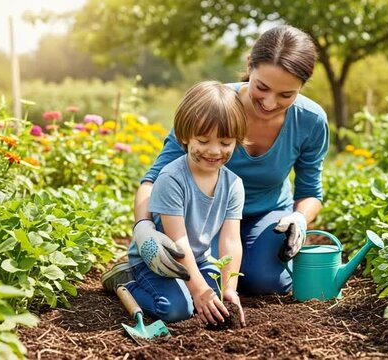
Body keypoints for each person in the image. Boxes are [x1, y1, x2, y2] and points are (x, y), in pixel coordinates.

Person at [104, 24, 329, 297]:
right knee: (197, 278)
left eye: (286, 95)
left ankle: (247, 263)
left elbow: (310, 192)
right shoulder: (213, 107)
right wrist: (143, 227)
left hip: (266, 215)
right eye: (262, 87)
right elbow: (155, 178)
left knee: (269, 282)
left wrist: (300, 218)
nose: (269, 103)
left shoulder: (310, 121)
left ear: (301, 88)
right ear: (250, 65)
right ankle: (135, 273)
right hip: (203, 219)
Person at [103, 81, 247, 325]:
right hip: (158, 262)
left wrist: (228, 287)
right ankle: (125, 280)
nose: (214, 151)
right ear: (185, 136)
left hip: (199, 260)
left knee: (214, 300)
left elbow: (231, 240)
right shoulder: (172, 179)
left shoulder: (233, 184)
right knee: (177, 310)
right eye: (203, 140)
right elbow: (178, 241)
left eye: (225, 143)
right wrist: (199, 290)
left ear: (237, 140)